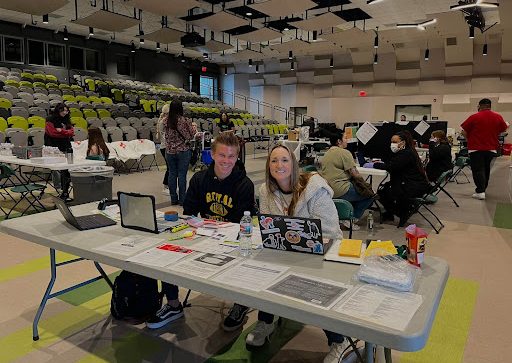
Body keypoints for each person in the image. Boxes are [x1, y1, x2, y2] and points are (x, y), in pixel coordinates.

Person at [250, 144, 353, 363]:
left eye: (285, 160)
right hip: (285, 251)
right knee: (262, 270)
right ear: (269, 166)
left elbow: (331, 232)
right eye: (274, 160)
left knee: (316, 286)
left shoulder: (314, 188)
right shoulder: (265, 190)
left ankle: (339, 339)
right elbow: (269, 226)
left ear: (294, 164)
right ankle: (265, 322)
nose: (280, 165)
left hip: (322, 253)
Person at [146, 132, 257, 330]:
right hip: (203, 235)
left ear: (237, 157)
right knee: (165, 248)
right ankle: (173, 304)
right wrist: (197, 228)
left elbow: (242, 223)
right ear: (212, 154)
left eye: (231, 156)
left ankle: (241, 303)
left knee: (247, 251)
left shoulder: (244, 184)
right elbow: (188, 212)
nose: (226, 161)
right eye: (222, 155)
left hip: (231, 241)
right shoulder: (199, 179)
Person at [319, 132, 374, 229]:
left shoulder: (326, 154)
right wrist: (364, 184)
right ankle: (350, 219)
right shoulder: (344, 153)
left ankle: (344, 215)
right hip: (341, 188)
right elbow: (354, 173)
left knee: (357, 191)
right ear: (339, 141)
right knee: (369, 195)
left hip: (327, 189)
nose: (347, 140)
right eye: (345, 138)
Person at [377, 131, 430, 226]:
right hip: (411, 183)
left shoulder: (406, 154)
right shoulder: (407, 151)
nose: (392, 144)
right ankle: (393, 212)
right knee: (385, 189)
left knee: (382, 192)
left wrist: (375, 165)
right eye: (391, 142)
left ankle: (400, 213)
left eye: (395, 141)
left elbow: (392, 166)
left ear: (403, 142)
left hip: (411, 186)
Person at [461, 98, 508, 200]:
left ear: (480, 106)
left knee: (478, 169)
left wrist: (470, 139)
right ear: (490, 106)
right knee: (486, 169)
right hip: (491, 148)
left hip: (475, 148)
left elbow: (463, 132)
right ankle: (483, 189)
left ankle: (480, 191)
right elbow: (503, 130)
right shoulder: (498, 117)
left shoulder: (474, 117)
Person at [164, 101, 195, 205]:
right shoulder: (184, 120)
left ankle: (173, 199)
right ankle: (182, 200)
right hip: (183, 150)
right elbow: (190, 135)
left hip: (169, 151)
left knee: (172, 174)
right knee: (182, 175)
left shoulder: (165, 120)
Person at [44, 103, 74, 200]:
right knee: (56, 169)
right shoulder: (50, 119)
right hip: (54, 147)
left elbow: (72, 132)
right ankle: (59, 189)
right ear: (58, 110)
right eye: (63, 111)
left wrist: (61, 131)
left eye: (66, 111)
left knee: (66, 169)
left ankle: (65, 191)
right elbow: (52, 133)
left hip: (65, 146)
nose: (65, 113)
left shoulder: (67, 120)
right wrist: (65, 133)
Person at [156, 103, 170, 195]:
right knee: (169, 168)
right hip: (164, 147)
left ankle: (168, 185)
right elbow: (163, 136)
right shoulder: (162, 122)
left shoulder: (166, 121)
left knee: (170, 168)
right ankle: (165, 186)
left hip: (167, 146)